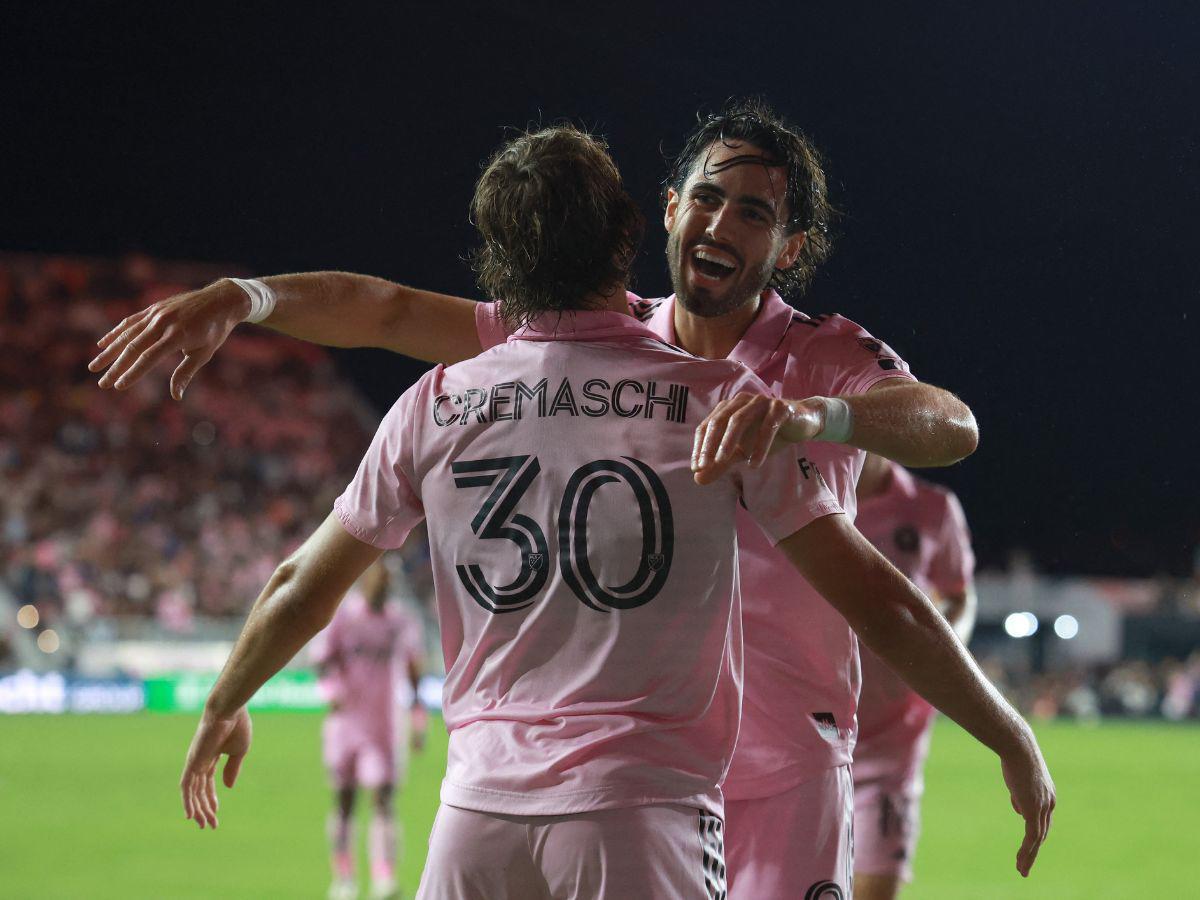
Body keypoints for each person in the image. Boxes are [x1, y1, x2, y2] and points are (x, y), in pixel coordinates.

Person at [117, 110, 1050, 896]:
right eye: (710, 197)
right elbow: (390, 311)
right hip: (652, 778)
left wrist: (813, 415)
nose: (723, 222)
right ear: (670, 210)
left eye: (755, 212)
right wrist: (249, 296)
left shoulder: (820, 353)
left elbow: (951, 425)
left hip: (776, 768)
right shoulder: (610, 335)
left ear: (790, 245)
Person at [850, 453, 977, 900]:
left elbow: (959, 596)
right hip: (796, 737)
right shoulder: (800, 490)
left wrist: (945, 649)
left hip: (890, 741)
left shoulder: (931, 508)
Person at [312, 560, 427, 900]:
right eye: (378, 577)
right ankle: (344, 879)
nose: (383, 584)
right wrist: (332, 691)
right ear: (365, 580)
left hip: (384, 726)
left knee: (383, 800)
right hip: (346, 724)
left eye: (388, 579)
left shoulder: (401, 621)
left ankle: (383, 877)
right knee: (345, 801)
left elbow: (414, 669)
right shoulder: (344, 617)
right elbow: (321, 659)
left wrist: (418, 718)